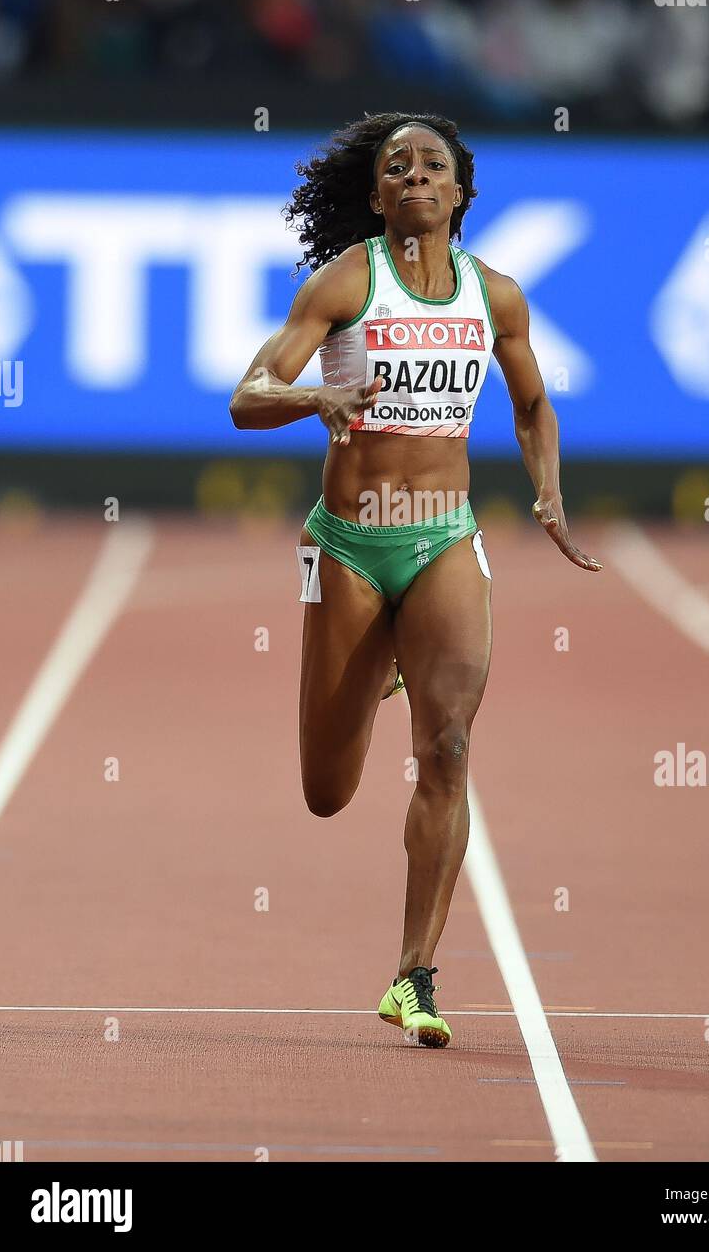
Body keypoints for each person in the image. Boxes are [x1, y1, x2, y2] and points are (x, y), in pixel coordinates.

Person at [230, 112, 601, 1047]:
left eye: (432, 164)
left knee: (447, 750)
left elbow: (532, 405)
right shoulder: (348, 280)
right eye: (397, 167)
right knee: (327, 789)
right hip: (351, 546)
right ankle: (372, 662)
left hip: (441, 539)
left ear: (460, 192)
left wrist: (548, 494)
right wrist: (317, 394)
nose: (414, 177)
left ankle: (414, 975)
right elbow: (246, 399)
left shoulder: (497, 297)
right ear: (376, 194)